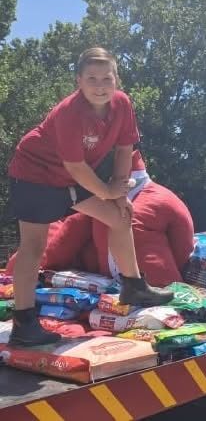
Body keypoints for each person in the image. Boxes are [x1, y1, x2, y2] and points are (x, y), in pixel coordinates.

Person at [7, 47, 173, 346]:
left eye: (106, 78)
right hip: (36, 173)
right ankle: (24, 322)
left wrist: (120, 194)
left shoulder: (122, 105)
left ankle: (133, 285)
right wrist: (107, 191)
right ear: (79, 82)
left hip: (73, 176)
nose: (100, 86)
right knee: (34, 245)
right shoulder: (68, 112)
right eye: (92, 79)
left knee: (121, 216)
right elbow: (75, 165)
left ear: (116, 79)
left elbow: (125, 149)